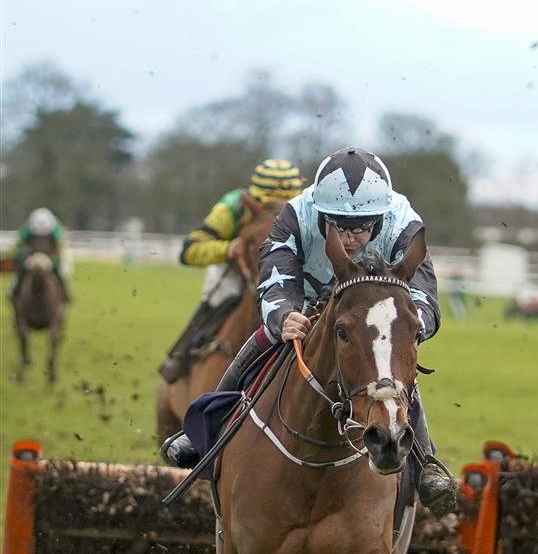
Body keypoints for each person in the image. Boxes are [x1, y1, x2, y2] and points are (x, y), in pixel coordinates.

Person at [160, 147, 459, 517]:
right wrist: (283, 314)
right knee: (268, 337)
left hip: (369, 308)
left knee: (390, 365)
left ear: (380, 217)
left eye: (362, 227)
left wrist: (413, 327)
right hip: (307, 297)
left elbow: (423, 292)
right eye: (339, 226)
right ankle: (205, 431)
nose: (351, 238)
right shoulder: (294, 215)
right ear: (320, 213)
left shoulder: (403, 222)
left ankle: (426, 462)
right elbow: (274, 277)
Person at [158, 159, 304, 383]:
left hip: (290, 271)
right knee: (219, 298)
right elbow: (189, 251)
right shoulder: (232, 207)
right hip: (238, 271)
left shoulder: (309, 208)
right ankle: (181, 355)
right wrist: (228, 248)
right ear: (254, 199)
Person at [7, 207, 71, 302]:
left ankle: (65, 293)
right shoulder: (27, 228)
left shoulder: (56, 229)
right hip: (32, 254)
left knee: (60, 271)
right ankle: (14, 291)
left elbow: (60, 248)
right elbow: (19, 244)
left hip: (50, 254)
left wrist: (57, 259)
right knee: (20, 271)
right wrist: (17, 256)